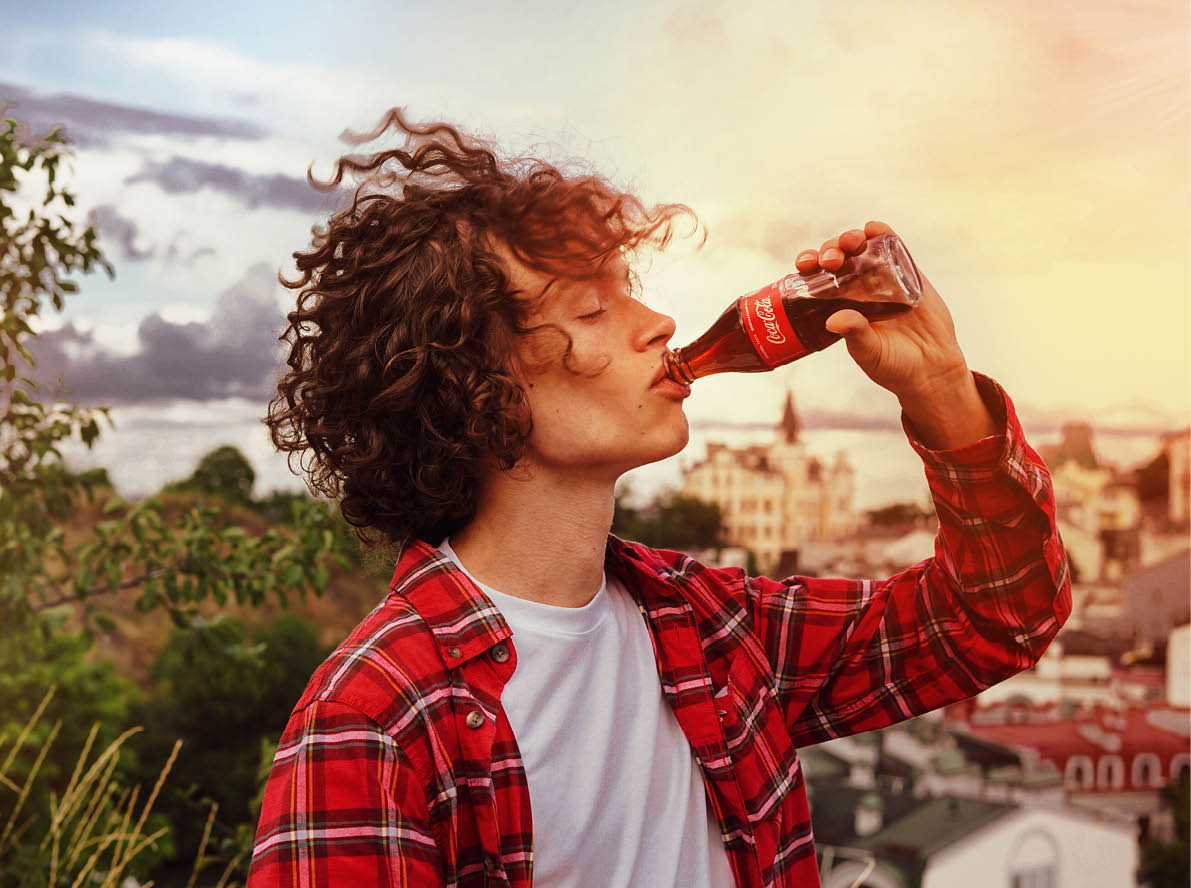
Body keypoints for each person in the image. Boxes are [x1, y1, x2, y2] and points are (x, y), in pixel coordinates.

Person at [247, 108, 1071, 888]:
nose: (661, 322)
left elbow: (993, 619)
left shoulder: (709, 628)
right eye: (594, 307)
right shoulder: (372, 719)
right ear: (472, 387)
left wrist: (941, 391)